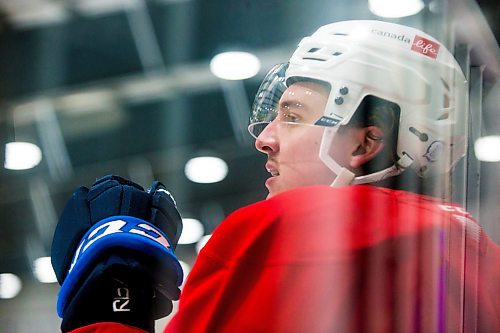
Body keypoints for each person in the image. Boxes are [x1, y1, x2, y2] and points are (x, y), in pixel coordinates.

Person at [51, 20, 500, 333]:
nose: (264, 139)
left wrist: (109, 306)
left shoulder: (290, 227)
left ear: (366, 144)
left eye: (291, 115)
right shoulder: (481, 259)